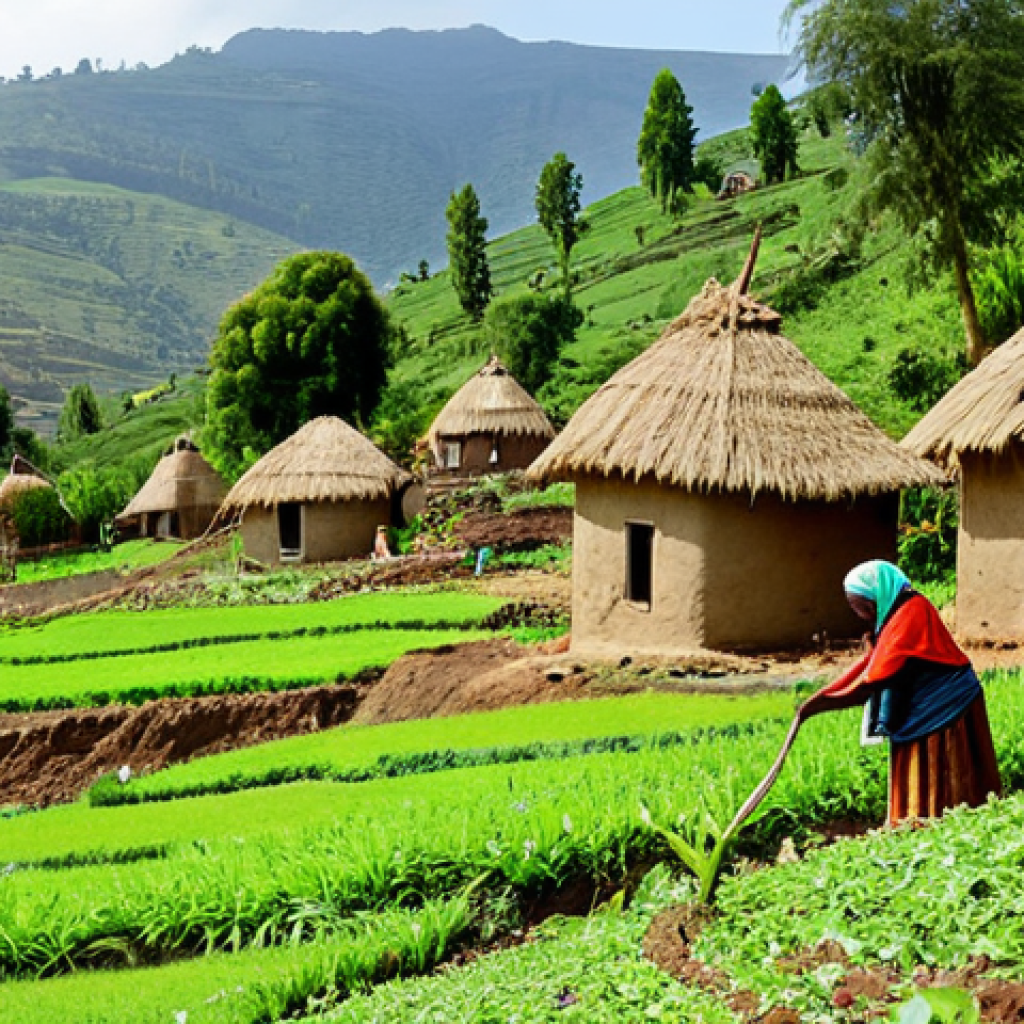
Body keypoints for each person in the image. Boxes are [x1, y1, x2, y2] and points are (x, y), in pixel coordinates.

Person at [799, 559, 1001, 825]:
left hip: (946, 703)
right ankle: (924, 822)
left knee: (944, 771)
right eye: (856, 606)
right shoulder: (896, 613)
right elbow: (879, 662)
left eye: (862, 604)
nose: (861, 612)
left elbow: (881, 671)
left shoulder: (910, 613)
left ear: (878, 592)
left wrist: (821, 703)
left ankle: (937, 823)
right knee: (922, 767)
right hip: (928, 703)